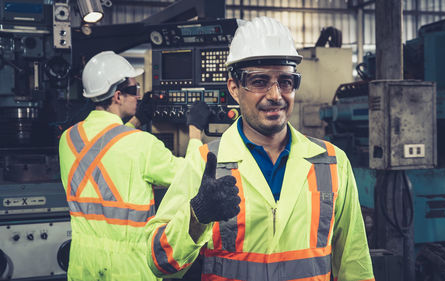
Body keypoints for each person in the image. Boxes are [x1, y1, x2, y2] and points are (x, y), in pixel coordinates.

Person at [146, 17, 375, 281]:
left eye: (286, 81)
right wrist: (197, 216)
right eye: (259, 81)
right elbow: (157, 261)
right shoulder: (204, 163)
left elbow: (355, 263)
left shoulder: (333, 162)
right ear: (234, 88)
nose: (276, 95)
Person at [58, 51, 210, 281]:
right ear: (118, 96)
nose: (138, 96)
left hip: (83, 267)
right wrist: (195, 132)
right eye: (134, 89)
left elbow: (104, 147)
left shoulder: (68, 140)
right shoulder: (141, 145)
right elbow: (190, 176)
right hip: (129, 269)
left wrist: (136, 121)